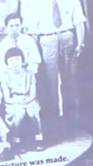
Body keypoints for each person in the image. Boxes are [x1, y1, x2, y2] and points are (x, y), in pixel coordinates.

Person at [19, 0, 86, 139]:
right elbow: (31, 30)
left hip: (67, 37)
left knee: (70, 81)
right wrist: (36, 52)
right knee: (51, 83)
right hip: (47, 40)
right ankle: (55, 123)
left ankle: (73, 122)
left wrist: (81, 43)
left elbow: (79, 21)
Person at [0, 46, 41, 149]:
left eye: (17, 59)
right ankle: (16, 140)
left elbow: (33, 94)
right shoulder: (5, 77)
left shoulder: (29, 74)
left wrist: (27, 101)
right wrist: (18, 102)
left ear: (22, 60)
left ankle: (38, 137)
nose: (14, 62)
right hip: (13, 102)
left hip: (29, 100)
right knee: (19, 113)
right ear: (7, 63)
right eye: (11, 60)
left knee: (32, 112)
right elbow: (7, 98)